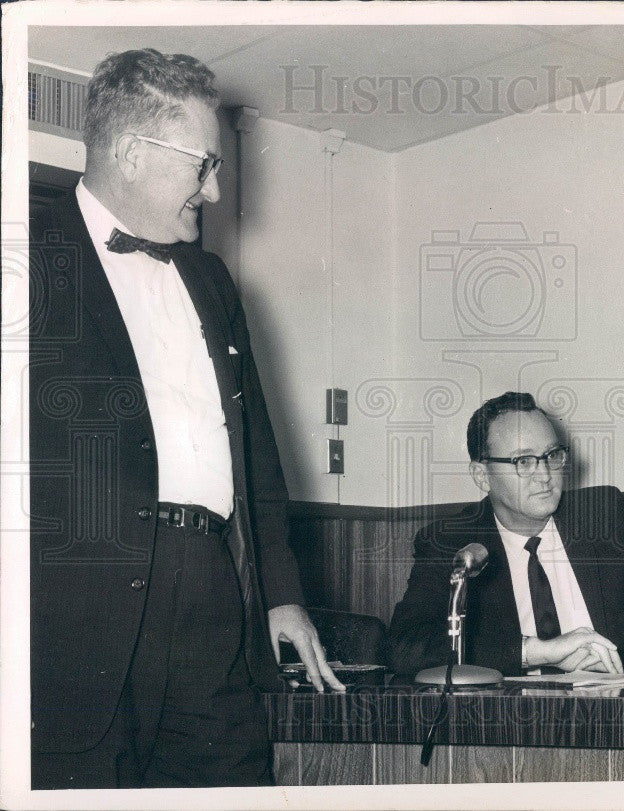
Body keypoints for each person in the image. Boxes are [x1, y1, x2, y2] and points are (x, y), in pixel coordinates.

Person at [29, 49, 343, 790]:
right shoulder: (26, 260)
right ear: (133, 152)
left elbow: (255, 449)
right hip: (78, 603)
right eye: (203, 164)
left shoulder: (211, 278)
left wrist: (281, 591)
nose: (217, 186)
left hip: (209, 589)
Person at [389, 392, 624, 676]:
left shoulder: (604, 518)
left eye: (552, 455)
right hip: (505, 727)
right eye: (523, 461)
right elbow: (404, 646)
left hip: (620, 721)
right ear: (482, 475)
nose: (545, 475)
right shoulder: (455, 544)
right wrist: (532, 651)